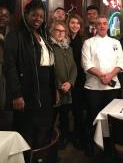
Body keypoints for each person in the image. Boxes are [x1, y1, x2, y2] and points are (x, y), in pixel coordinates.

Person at [4, 0, 55, 149]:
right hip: (26, 92)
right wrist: (16, 94)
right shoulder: (15, 36)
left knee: (43, 129)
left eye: (41, 16)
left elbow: (50, 65)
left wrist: (54, 89)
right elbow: (10, 67)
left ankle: (39, 156)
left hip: (45, 92)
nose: (38, 19)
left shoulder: (43, 35)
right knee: (26, 132)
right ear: (26, 15)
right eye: (34, 15)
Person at [81, 15, 123, 155]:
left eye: (105, 23)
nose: (102, 26)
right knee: (93, 118)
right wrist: (100, 76)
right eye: (99, 23)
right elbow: (86, 64)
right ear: (95, 26)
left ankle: (110, 148)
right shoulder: (88, 43)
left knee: (110, 119)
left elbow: (120, 62)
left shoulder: (115, 43)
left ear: (108, 26)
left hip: (112, 87)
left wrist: (110, 76)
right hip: (93, 87)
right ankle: (92, 148)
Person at [50, 21, 77, 149]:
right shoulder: (48, 47)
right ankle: (50, 142)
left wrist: (70, 83)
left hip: (67, 89)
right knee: (50, 118)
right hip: (54, 89)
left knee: (65, 117)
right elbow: (48, 69)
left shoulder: (69, 48)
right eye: (57, 30)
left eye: (63, 31)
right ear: (52, 31)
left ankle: (63, 139)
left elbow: (74, 67)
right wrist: (59, 85)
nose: (60, 33)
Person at [67, 14, 87, 150]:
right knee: (65, 110)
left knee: (77, 110)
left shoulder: (83, 40)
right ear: (68, 24)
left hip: (79, 79)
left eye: (78, 23)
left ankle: (78, 136)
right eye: (73, 23)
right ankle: (65, 135)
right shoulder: (65, 39)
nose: (75, 25)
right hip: (65, 77)